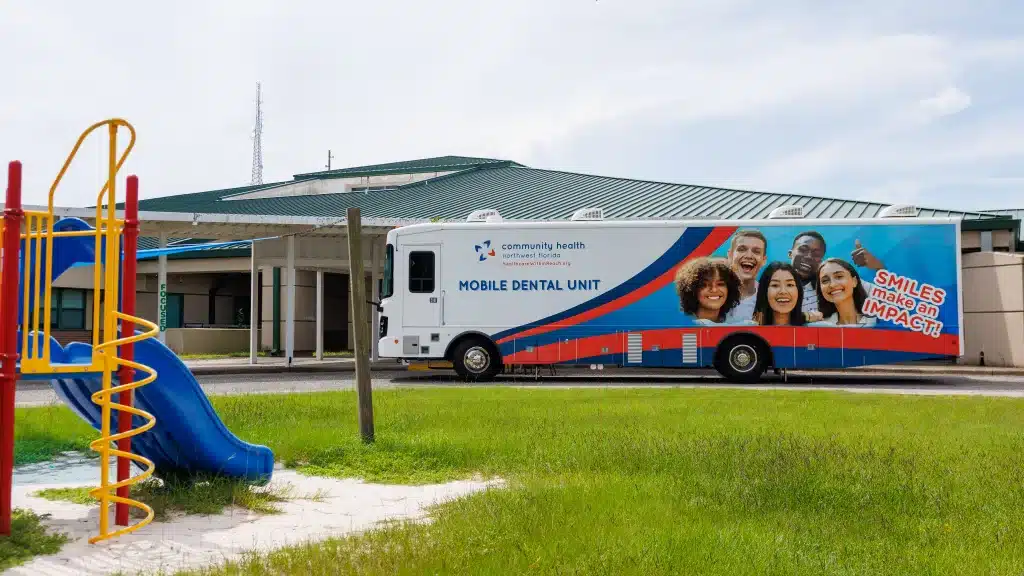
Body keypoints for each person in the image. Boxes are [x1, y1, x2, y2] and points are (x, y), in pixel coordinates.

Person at [788, 231, 882, 316]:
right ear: (790, 254)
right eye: (803, 250)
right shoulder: (776, 285)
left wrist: (877, 266)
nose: (808, 257)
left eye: (816, 254)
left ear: (821, 260)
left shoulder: (833, 284)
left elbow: (887, 297)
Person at [674, 257, 741, 324]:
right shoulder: (682, 324)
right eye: (704, 284)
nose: (714, 290)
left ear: (729, 289)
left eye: (720, 284)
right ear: (692, 290)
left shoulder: (738, 324)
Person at [814, 258, 876, 327]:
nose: (832, 285)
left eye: (839, 276)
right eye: (825, 280)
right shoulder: (820, 326)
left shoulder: (876, 322)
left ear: (854, 281)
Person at [724, 229, 767, 323]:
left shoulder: (767, 298)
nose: (749, 255)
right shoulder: (716, 293)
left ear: (764, 260)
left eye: (756, 251)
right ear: (730, 255)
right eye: (742, 249)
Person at [751, 262, 806, 326]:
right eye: (775, 285)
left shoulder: (812, 329)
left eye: (790, 285)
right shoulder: (749, 329)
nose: (783, 291)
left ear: (798, 291)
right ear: (765, 291)